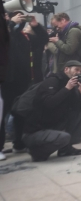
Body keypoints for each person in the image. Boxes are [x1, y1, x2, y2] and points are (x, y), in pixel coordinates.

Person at [0, 13, 48, 160]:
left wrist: (35, 25)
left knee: (20, 113)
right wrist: (10, 25)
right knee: (2, 116)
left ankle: (19, 143)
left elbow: (43, 39)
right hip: (6, 82)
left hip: (23, 82)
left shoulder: (25, 37)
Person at [22, 60, 81, 161]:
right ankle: (37, 153)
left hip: (51, 124)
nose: (78, 73)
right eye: (76, 70)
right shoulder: (52, 81)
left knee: (77, 114)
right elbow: (49, 104)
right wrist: (67, 88)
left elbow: (78, 108)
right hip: (35, 131)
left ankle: (65, 149)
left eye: (80, 71)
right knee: (63, 138)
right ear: (66, 69)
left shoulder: (70, 85)